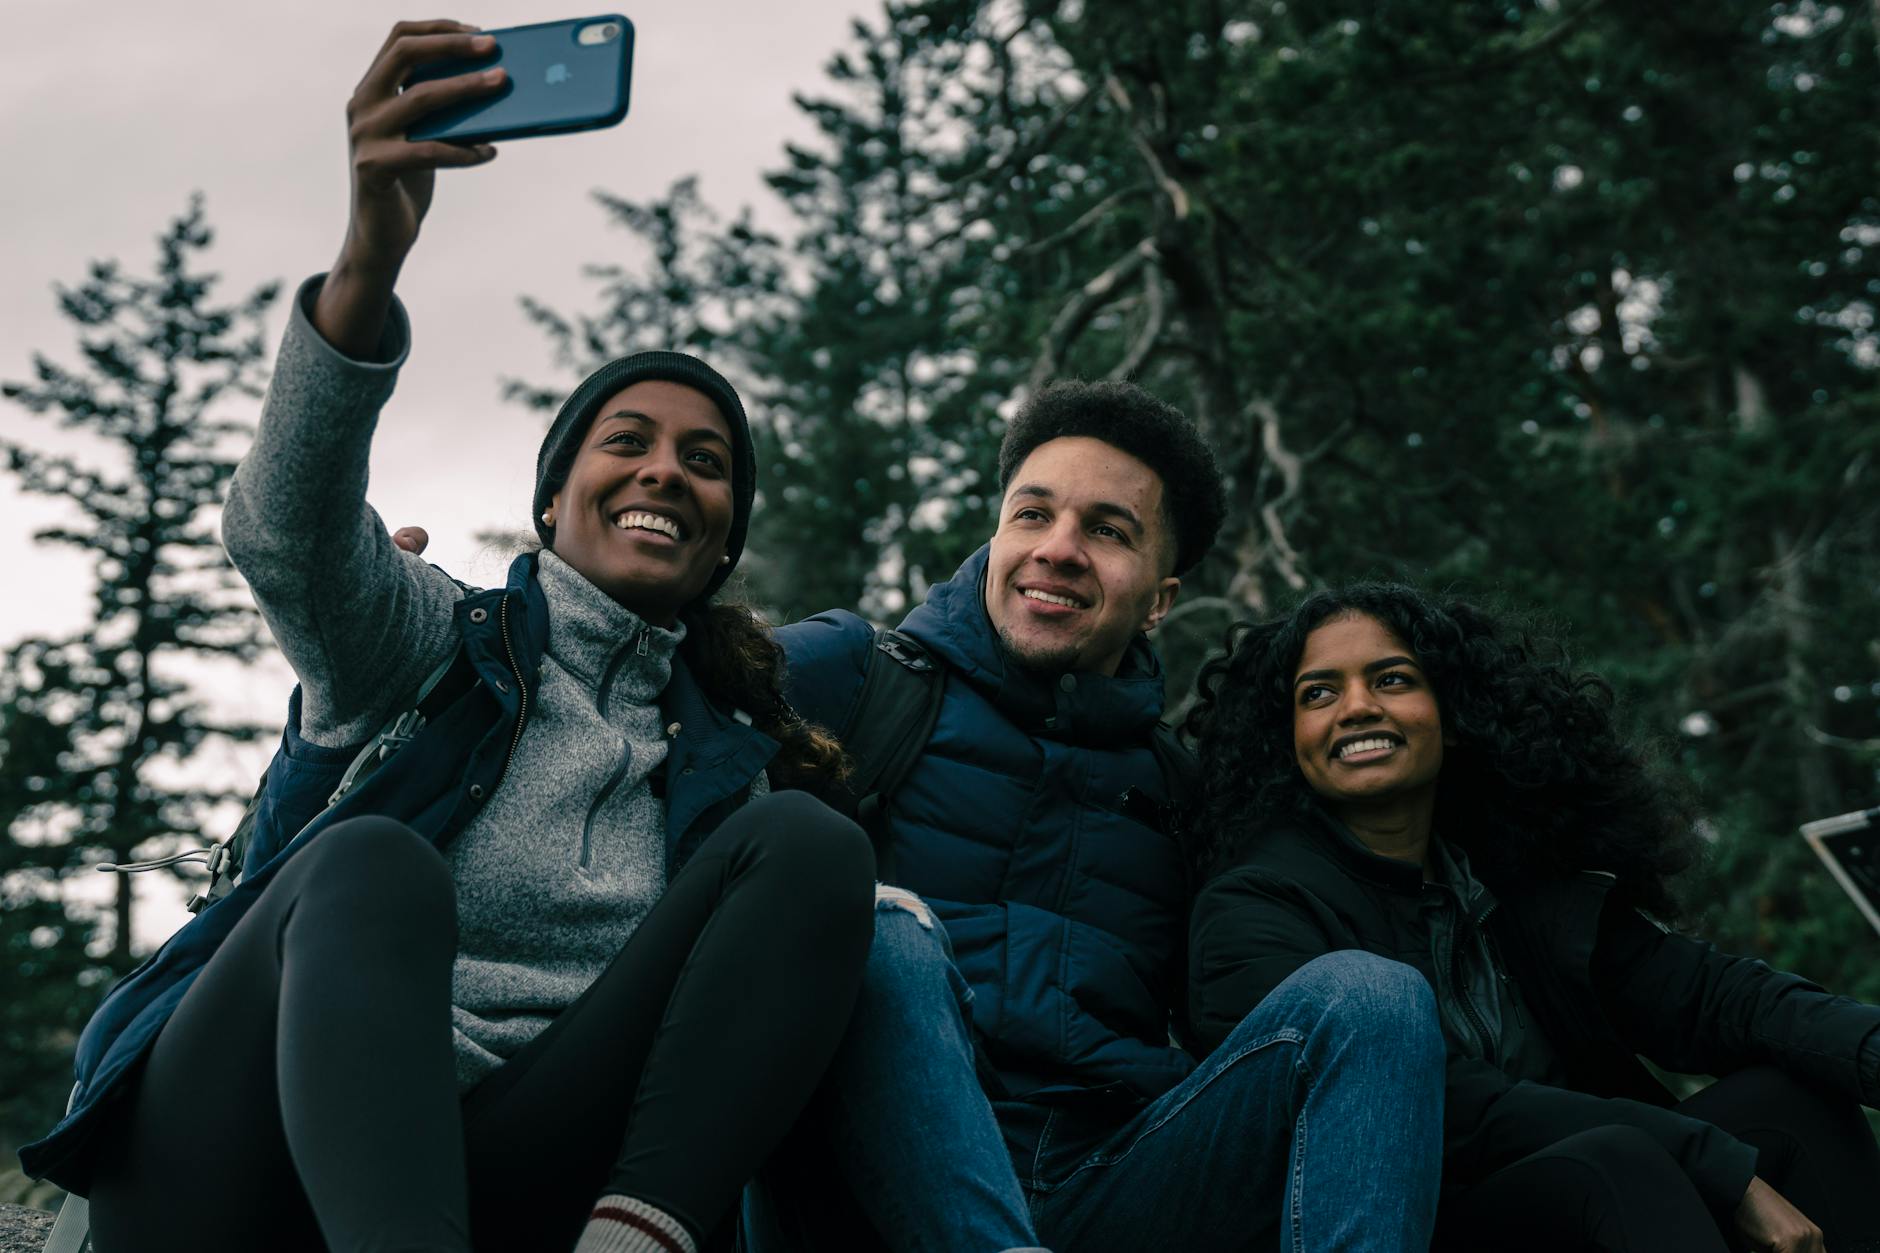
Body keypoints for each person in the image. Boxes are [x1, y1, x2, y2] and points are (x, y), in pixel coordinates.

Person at [17, 22, 876, 1253]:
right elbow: (287, 535)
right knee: (373, 862)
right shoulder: (440, 639)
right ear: (550, 498)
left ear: (725, 538)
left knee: (810, 845)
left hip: (505, 1167)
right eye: (624, 439)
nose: (665, 471)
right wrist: (372, 251)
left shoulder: (726, 760)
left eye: (706, 461)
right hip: (241, 1148)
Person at [757, 383, 1446, 1251]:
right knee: (886, 930)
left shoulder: (1184, 789)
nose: (1059, 549)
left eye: (1108, 530)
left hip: (1110, 1174)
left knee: (1373, 997)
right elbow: (671, 685)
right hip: (867, 1177)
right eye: (1032, 514)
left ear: (1159, 598)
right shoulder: (858, 674)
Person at [1183, 581, 1880, 1253]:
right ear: (1290, 740)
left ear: (1452, 715)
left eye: (1393, 679)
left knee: (1790, 1103)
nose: (1357, 706)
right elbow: (1459, 1110)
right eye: (1320, 693)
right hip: (1418, 1223)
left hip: (1596, 1191)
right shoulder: (1256, 909)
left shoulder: (1511, 879)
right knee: (1617, 1161)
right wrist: (1719, 1168)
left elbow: (1715, 997)